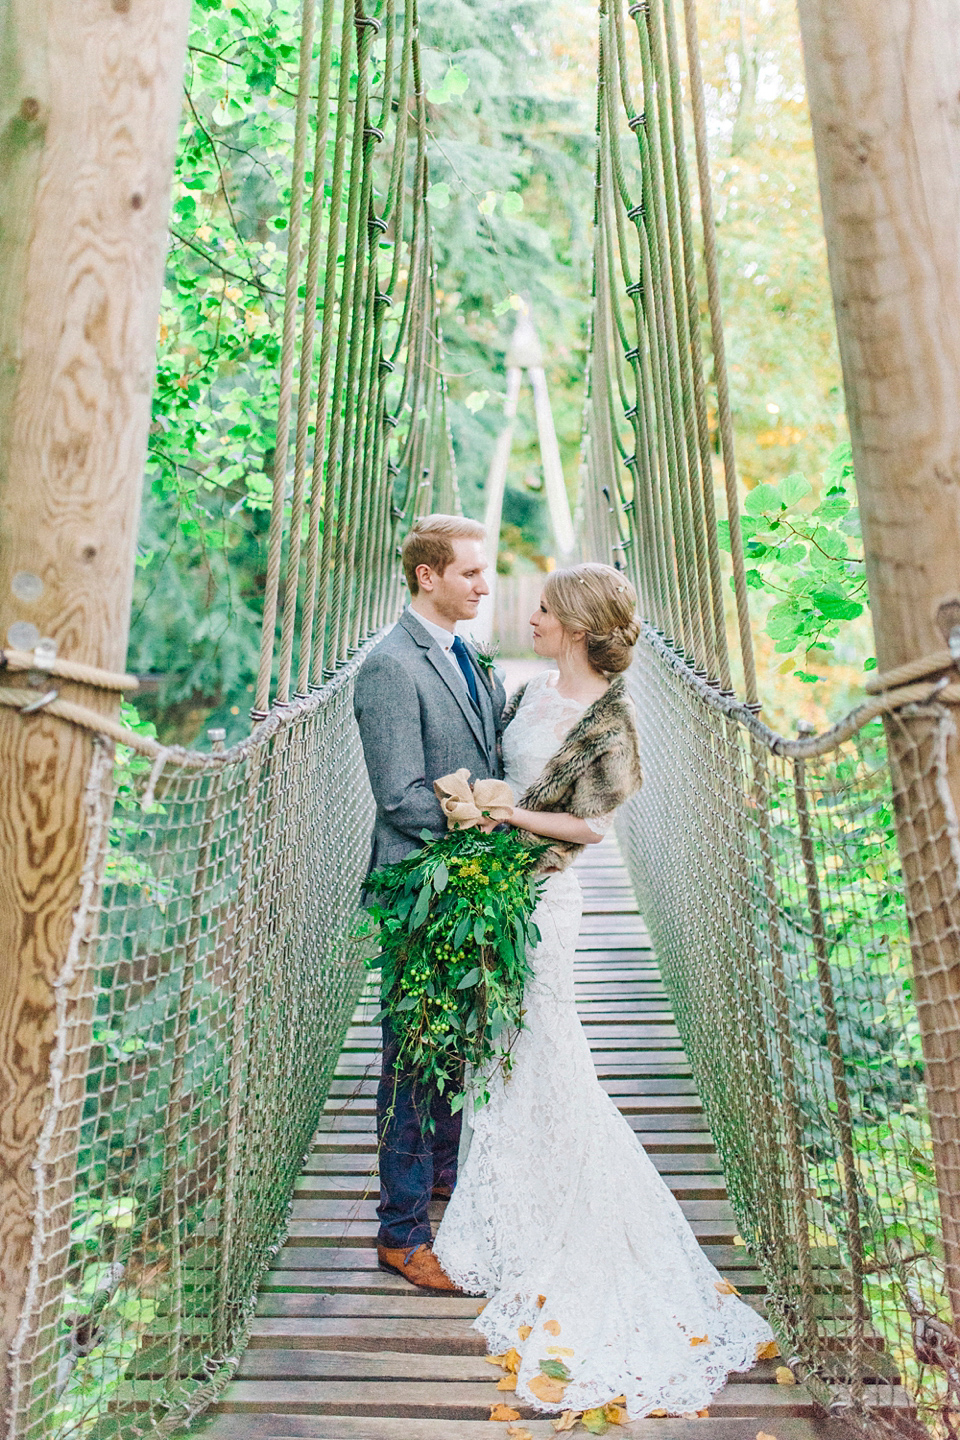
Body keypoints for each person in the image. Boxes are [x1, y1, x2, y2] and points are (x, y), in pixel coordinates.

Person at [432, 562, 774, 1420]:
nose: (532, 616)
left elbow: (588, 825)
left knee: (541, 1036)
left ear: (580, 624)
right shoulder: (525, 692)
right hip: (497, 889)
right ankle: (515, 1186)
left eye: (545, 609)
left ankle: (566, 1206)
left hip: (547, 894)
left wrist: (504, 816)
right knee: (509, 1041)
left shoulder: (608, 721)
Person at [353, 513, 506, 1293]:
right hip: (420, 886)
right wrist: (493, 830)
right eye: (472, 573)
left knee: (452, 1045)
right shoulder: (389, 666)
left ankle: (438, 1179)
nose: (486, 585)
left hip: (469, 885)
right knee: (412, 1057)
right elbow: (403, 796)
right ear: (427, 577)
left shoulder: (469, 654)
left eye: (485, 571)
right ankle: (401, 1233)